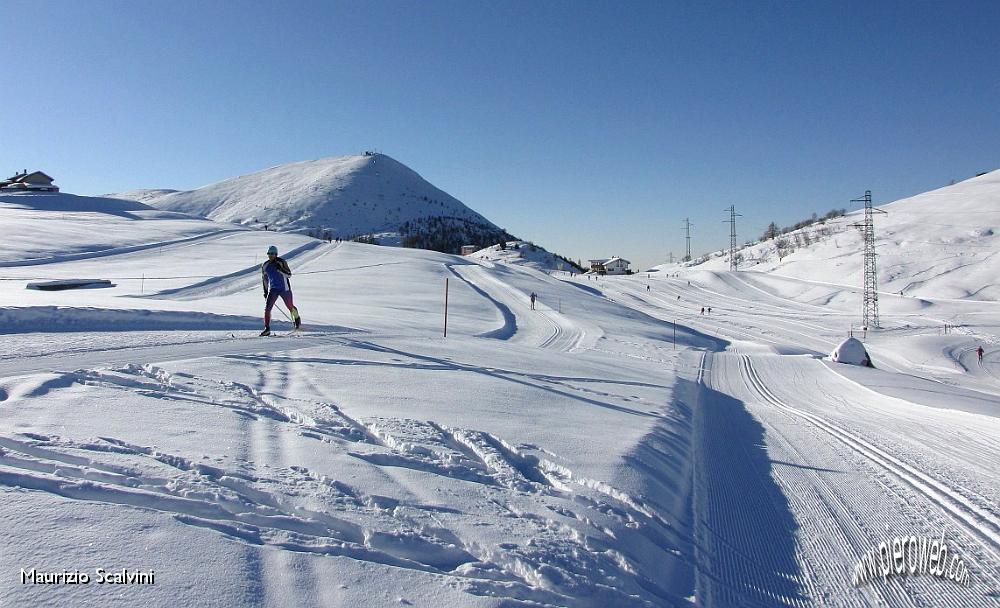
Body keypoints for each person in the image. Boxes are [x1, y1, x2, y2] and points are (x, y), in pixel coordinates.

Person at [260, 245, 301, 336]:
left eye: (273, 254)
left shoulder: (282, 262)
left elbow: (289, 275)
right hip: (274, 289)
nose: (271, 255)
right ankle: (267, 328)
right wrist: (265, 291)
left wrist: (280, 269)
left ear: (276, 254)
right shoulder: (265, 265)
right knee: (267, 309)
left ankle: (297, 318)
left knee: (290, 306)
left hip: (284, 289)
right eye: (269, 253)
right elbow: (265, 279)